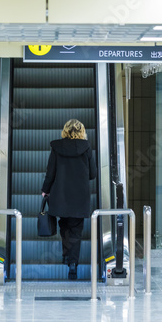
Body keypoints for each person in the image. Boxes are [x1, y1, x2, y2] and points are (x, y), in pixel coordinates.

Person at [41, 119, 97, 280]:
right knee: (76, 231)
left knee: (63, 226)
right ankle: (73, 264)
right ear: (82, 131)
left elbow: (50, 172)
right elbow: (93, 174)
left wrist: (45, 190)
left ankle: (66, 256)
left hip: (60, 196)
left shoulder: (57, 148)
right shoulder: (86, 148)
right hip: (80, 197)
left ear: (65, 130)